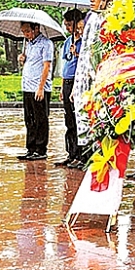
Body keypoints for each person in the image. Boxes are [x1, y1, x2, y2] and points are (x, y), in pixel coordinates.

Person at [73, 0, 122, 168]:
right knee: (83, 121)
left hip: (103, 84)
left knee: (101, 124)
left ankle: (101, 162)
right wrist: (77, 86)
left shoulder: (112, 19)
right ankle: (87, 158)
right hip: (85, 82)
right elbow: (85, 53)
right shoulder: (91, 17)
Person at [17, 22, 55, 161]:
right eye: (23, 31)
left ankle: (41, 149)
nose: (25, 34)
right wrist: (22, 59)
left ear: (36, 28)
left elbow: (46, 66)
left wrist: (41, 87)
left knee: (41, 119)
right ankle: (31, 148)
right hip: (27, 86)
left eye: (27, 31)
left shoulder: (46, 43)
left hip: (39, 87)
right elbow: (30, 62)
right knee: (29, 119)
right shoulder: (28, 44)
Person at [55, 9, 85, 167]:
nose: (67, 27)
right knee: (69, 121)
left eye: (70, 24)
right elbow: (65, 64)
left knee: (78, 119)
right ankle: (71, 153)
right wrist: (61, 88)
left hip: (78, 82)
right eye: (66, 25)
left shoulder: (85, 41)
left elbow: (86, 62)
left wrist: (78, 53)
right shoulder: (68, 41)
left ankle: (81, 156)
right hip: (67, 82)